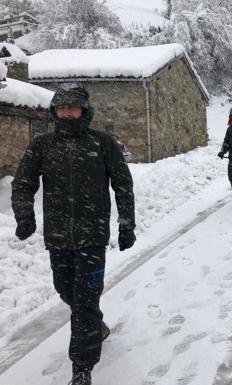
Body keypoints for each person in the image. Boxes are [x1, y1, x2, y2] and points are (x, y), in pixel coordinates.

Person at [11, 83, 136, 385]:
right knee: (66, 292)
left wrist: (127, 222)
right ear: (55, 111)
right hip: (57, 237)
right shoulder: (42, 146)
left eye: (72, 107)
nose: (67, 113)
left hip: (92, 236)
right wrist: (25, 215)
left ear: (83, 110)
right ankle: (96, 325)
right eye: (61, 108)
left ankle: (82, 368)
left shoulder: (102, 144)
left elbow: (123, 185)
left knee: (84, 302)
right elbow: (23, 182)